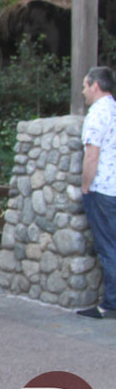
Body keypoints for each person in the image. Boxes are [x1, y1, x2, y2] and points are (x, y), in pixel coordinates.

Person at [77, 66, 116, 319]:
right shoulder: (114, 109)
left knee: (108, 247)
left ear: (95, 85)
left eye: (84, 86)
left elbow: (92, 155)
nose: (83, 91)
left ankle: (110, 304)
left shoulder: (97, 114)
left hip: (102, 189)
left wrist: (85, 185)